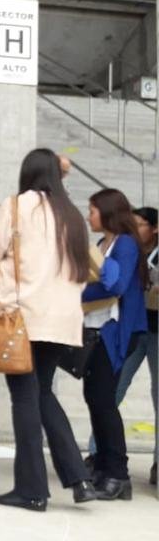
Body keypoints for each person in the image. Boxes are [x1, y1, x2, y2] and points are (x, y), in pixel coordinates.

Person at [0, 148, 97, 512]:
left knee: (25, 399)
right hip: (62, 322)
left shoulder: (16, 207)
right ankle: (78, 478)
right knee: (42, 393)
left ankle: (31, 489)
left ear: (27, 174)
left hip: (23, 319)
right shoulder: (71, 214)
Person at [81, 188, 147, 501]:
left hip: (118, 331)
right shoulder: (101, 244)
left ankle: (118, 474)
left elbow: (116, 285)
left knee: (104, 401)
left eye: (92, 210)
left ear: (107, 212)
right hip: (97, 328)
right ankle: (104, 466)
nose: (88, 215)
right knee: (95, 398)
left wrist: (87, 281)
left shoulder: (126, 244)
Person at [116, 206, 156, 485]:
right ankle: (100, 454)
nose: (135, 229)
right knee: (112, 389)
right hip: (130, 328)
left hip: (155, 329)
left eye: (140, 224)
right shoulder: (126, 248)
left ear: (154, 228)